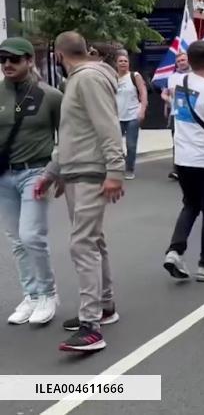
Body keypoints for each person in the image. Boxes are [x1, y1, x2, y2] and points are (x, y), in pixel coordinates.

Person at [34, 31, 125, 352]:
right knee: (93, 241)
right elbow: (72, 133)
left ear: (58, 56)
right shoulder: (79, 80)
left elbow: (108, 126)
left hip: (89, 172)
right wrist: (52, 172)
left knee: (81, 244)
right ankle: (104, 306)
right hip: (78, 171)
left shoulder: (86, 80)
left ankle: (91, 327)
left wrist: (115, 170)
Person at [1, 37, 62, 326]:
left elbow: (68, 137)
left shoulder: (49, 96)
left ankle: (48, 293)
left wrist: (57, 171)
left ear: (29, 61)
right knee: (16, 240)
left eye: (14, 59)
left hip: (35, 173)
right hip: (4, 176)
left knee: (31, 236)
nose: (7, 64)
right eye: (2, 60)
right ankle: (32, 294)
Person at [162, 41, 204, 282]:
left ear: (188, 60)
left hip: (182, 157)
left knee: (190, 204)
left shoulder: (178, 83)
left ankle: (175, 251)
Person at [114, 51, 147, 180]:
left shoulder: (135, 76)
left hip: (133, 115)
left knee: (131, 145)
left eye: (125, 61)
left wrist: (142, 110)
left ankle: (129, 169)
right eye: (120, 61)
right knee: (115, 145)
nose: (123, 63)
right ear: (116, 64)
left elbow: (143, 92)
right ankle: (120, 164)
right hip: (117, 116)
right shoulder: (113, 77)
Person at [164, 52, 190, 181]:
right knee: (177, 141)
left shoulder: (194, 75)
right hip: (176, 114)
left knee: (191, 141)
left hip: (191, 115)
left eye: (183, 60)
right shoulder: (172, 77)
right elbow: (171, 93)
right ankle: (177, 169)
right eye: (179, 61)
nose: (181, 62)